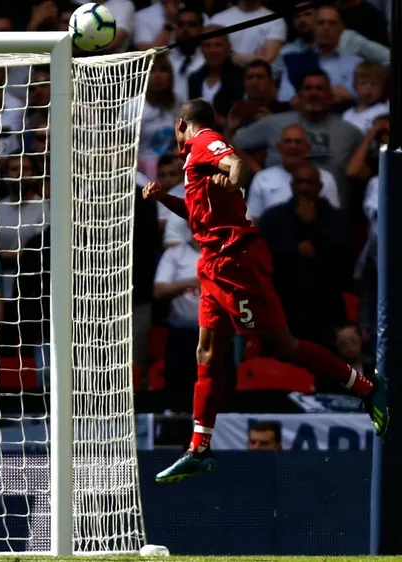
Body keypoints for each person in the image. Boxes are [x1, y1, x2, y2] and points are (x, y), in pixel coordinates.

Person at [144, 99, 387, 483]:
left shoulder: (205, 141)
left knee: (281, 346)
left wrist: (236, 177)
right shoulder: (195, 165)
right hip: (213, 262)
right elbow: (200, 216)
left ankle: (368, 388)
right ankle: (199, 448)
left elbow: (236, 164)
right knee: (206, 350)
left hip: (235, 262)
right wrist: (163, 198)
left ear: (180, 125)